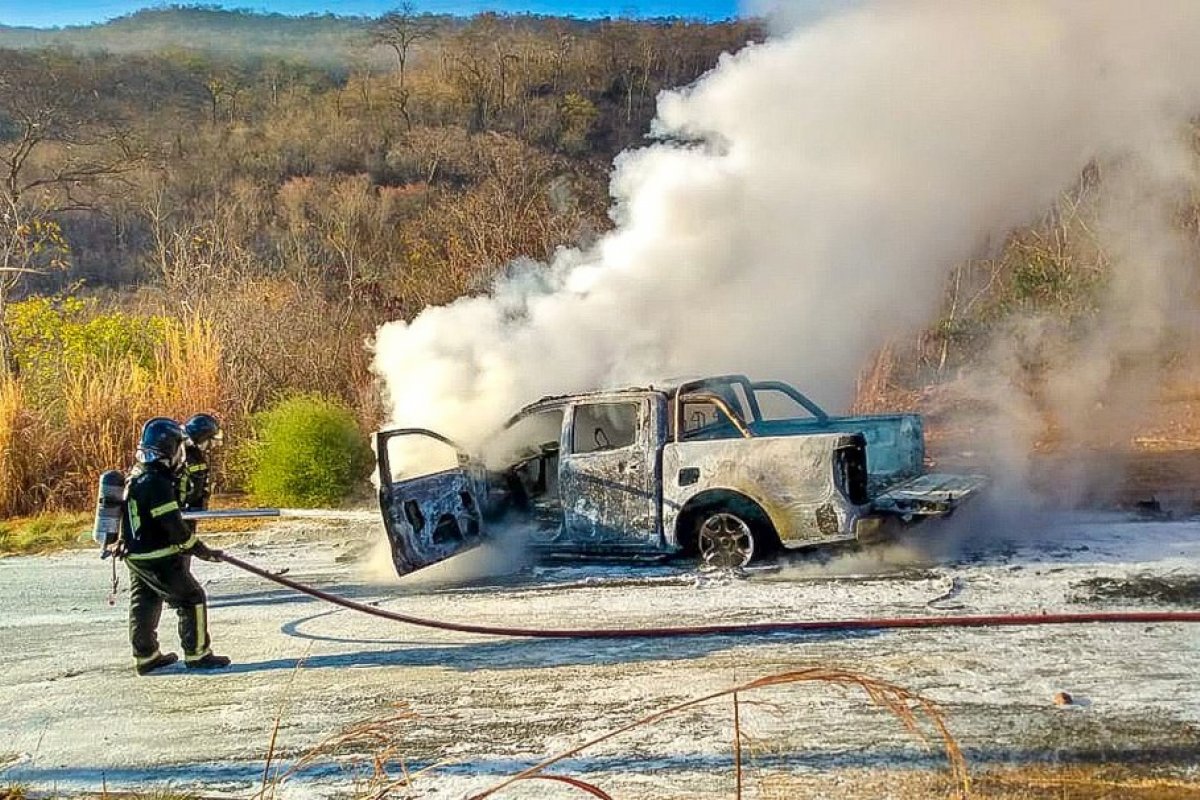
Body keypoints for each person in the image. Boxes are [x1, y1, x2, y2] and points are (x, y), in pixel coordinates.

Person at [123, 417, 230, 675]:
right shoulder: (156, 482)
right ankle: (198, 654)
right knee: (192, 598)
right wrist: (201, 550)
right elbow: (174, 527)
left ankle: (146, 656)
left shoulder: (136, 474)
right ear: (170, 447)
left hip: (134, 554)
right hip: (157, 555)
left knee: (145, 600)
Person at [179, 413, 222, 520]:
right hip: (178, 515)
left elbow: (201, 481)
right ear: (202, 437)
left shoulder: (197, 456)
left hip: (190, 513)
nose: (211, 446)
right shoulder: (179, 456)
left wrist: (201, 502)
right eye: (210, 441)